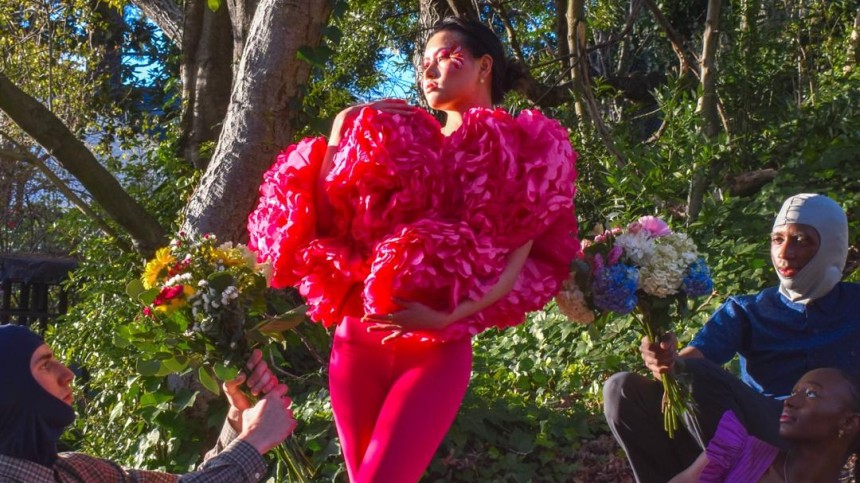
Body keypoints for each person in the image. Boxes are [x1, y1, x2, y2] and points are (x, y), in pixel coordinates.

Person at [247, 16, 579, 483]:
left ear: (484, 66)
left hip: (435, 350)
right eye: (423, 63)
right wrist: (343, 126)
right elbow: (327, 223)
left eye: (445, 59)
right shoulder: (396, 137)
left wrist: (445, 318)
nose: (429, 72)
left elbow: (511, 267)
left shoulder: (523, 148)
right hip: (355, 342)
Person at [603, 193, 860, 483]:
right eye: (777, 239)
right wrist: (665, 359)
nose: (785, 253)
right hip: (765, 431)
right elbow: (692, 363)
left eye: (801, 240)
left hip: (831, 435)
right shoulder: (748, 309)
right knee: (621, 389)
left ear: (832, 245)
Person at [0, 324, 297, 482]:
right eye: (44, 365)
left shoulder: (75, 469)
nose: (67, 375)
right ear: (12, 388)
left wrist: (238, 419)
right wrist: (254, 442)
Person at [669, 367, 860, 482]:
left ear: (849, 422)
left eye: (811, 394)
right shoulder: (736, 451)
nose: (789, 401)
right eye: (794, 392)